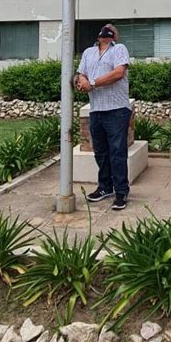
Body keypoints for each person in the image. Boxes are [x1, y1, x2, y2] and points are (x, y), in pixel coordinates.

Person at [76, 24, 131, 211]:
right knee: (100, 152)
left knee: (117, 153)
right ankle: (105, 187)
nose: (106, 30)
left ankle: (121, 191)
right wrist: (81, 81)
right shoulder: (88, 52)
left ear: (115, 35)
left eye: (110, 29)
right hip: (96, 109)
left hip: (116, 110)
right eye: (103, 28)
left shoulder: (119, 49)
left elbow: (118, 73)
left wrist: (92, 83)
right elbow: (80, 73)